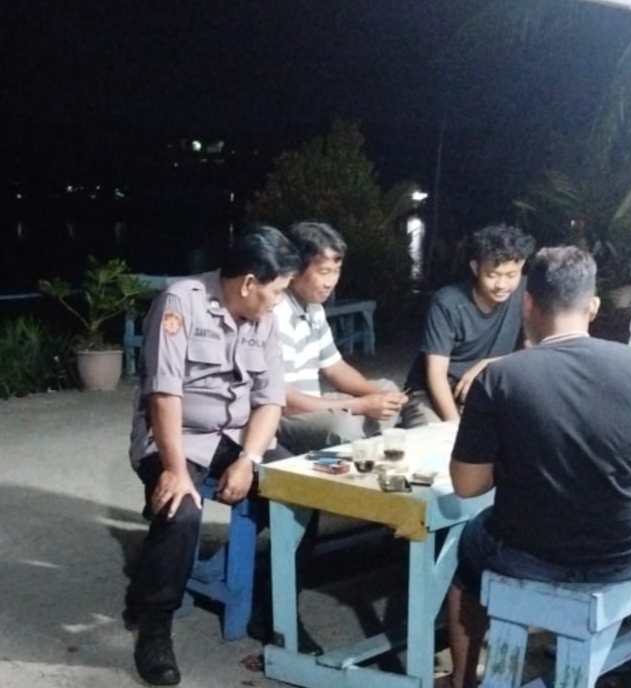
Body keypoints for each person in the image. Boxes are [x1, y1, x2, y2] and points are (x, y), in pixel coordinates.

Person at [442, 246, 631, 688]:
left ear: (528, 304)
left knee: (471, 539)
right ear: (593, 307)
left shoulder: (500, 377)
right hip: (622, 554)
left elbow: (467, 484)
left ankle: (461, 681)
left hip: (527, 554)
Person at [125, 225, 301, 686]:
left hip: (236, 437)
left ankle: (274, 603)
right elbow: (164, 394)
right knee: (181, 511)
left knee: (305, 490)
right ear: (249, 283)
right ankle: (154, 625)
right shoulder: (180, 303)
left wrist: (248, 460)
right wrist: (176, 471)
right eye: (277, 291)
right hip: (174, 437)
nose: (280, 301)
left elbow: (270, 400)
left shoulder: (265, 319)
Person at [273, 221, 407, 453]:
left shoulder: (314, 308)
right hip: (282, 415)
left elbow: (335, 368)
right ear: (294, 270)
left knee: (387, 389)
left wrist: (378, 396)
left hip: (313, 403)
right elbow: (285, 400)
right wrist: (361, 405)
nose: (331, 282)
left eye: (336, 271)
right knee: (343, 425)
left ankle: (364, 446)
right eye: (323, 272)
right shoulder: (277, 311)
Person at [401, 224, 535, 427]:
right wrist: (455, 428)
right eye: (492, 275)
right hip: (430, 391)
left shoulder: (525, 294)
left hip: (483, 389)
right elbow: (436, 375)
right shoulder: (447, 302)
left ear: (522, 266)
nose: (502, 285)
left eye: (511, 275)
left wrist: (491, 363)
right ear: (475, 268)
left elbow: (536, 353)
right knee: (435, 438)